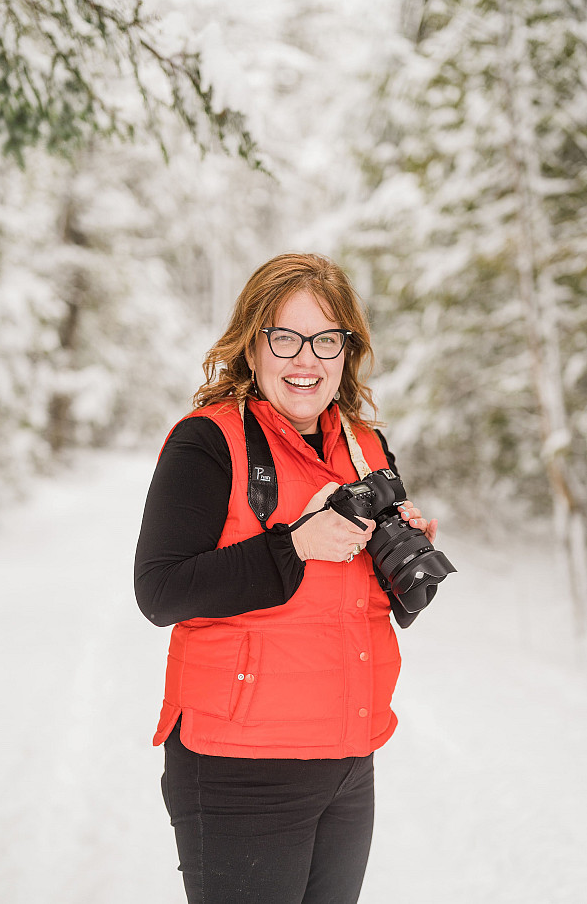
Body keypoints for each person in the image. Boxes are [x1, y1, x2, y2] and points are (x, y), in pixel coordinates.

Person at [134, 253, 438, 904]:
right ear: (252, 343)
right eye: (285, 336)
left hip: (349, 761)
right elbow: (159, 592)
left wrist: (403, 559)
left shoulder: (365, 444)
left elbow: (371, 604)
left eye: (325, 338)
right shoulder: (207, 441)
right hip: (239, 770)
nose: (306, 359)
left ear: (347, 349)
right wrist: (293, 546)